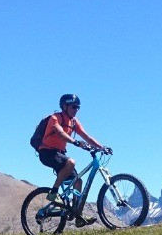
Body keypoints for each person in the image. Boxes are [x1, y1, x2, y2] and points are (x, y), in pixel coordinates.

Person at [36, 94, 110, 227]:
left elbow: (87, 137)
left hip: (59, 154)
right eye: (74, 107)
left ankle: (77, 214)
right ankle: (53, 193)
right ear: (65, 106)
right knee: (71, 162)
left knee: (78, 181)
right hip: (47, 152)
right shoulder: (55, 118)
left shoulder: (74, 122)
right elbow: (60, 133)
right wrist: (75, 142)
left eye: (78, 108)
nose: (76, 110)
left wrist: (101, 147)